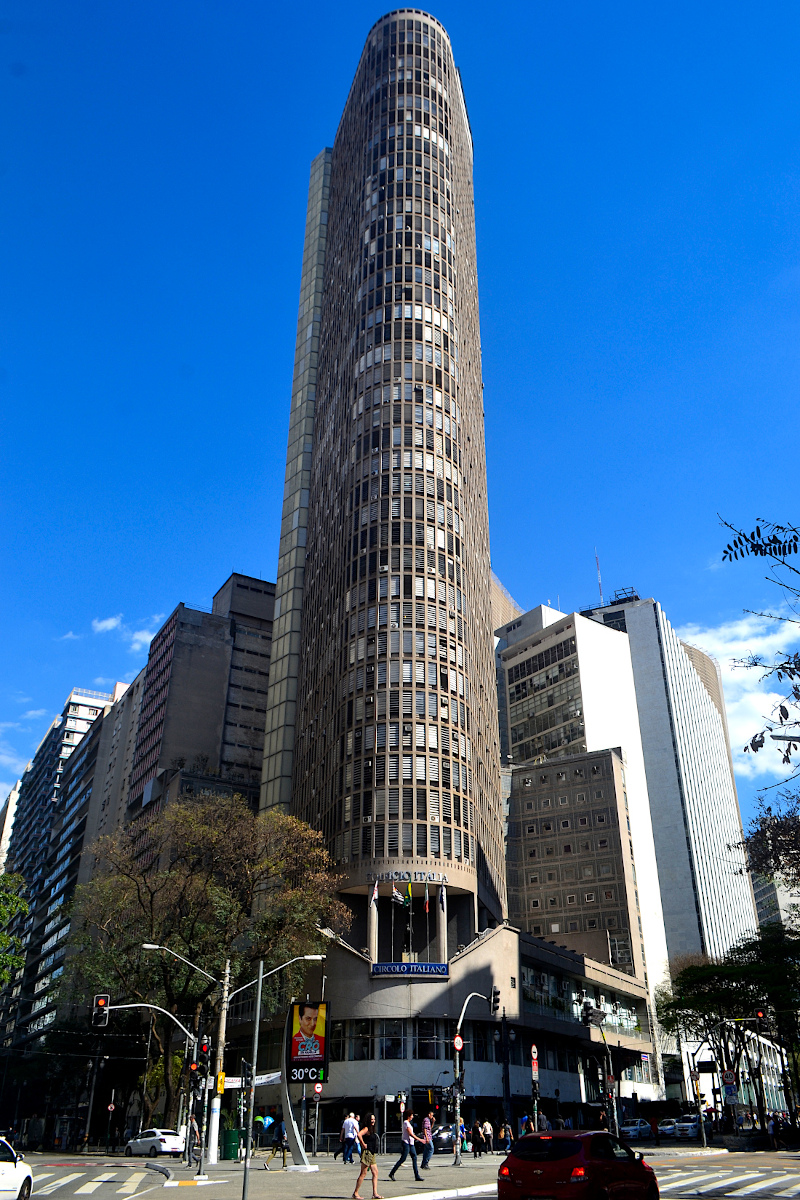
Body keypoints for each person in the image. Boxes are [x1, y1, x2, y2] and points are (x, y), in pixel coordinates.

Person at [352, 1113, 383, 1200]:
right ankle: (355, 1193)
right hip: (367, 1153)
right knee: (363, 1173)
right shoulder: (366, 1128)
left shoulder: (372, 1129)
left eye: (374, 1119)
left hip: (372, 1153)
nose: (373, 1121)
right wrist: (363, 1144)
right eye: (371, 1119)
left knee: (375, 1172)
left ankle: (375, 1193)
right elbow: (359, 1135)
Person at [388, 1110, 424, 1182]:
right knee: (403, 1159)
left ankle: (417, 1176)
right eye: (411, 1115)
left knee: (414, 1157)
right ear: (408, 1116)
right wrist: (420, 1139)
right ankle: (392, 1173)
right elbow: (410, 1133)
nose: (412, 1117)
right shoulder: (405, 1123)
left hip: (411, 1143)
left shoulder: (409, 1123)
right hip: (406, 1143)